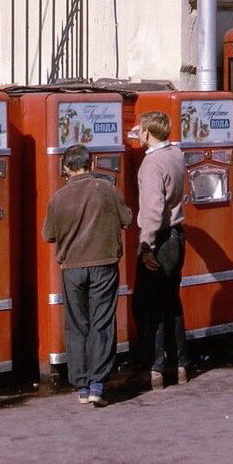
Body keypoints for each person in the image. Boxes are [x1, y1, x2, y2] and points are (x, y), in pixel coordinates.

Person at [42, 144, 133, 406]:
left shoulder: (58, 198)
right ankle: (97, 384)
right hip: (104, 263)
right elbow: (127, 219)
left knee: (76, 324)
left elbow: (48, 234)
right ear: (91, 164)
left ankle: (81, 385)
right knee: (102, 323)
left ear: (66, 169)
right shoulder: (107, 189)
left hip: (71, 267)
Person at [130, 110, 188, 390]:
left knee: (145, 306)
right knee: (171, 303)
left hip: (160, 238)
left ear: (149, 132)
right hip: (178, 235)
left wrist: (146, 245)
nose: (137, 133)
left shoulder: (151, 164)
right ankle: (181, 365)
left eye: (140, 129)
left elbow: (153, 209)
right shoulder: (176, 154)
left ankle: (153, 370)